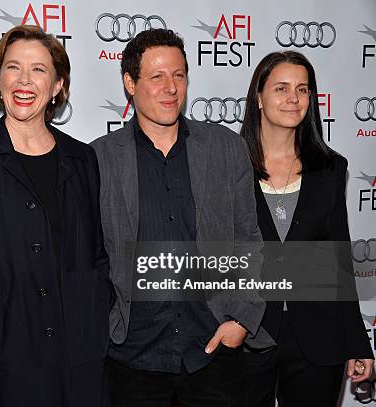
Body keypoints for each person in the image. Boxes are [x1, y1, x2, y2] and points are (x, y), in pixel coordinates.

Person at [90, 28, 273, 407]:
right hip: (131, 358)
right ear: (130, 82)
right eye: (156, 76)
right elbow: (90, 257)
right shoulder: (98, 159)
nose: (170, 88)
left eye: (178, 75)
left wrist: (240, 319)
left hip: (212, 354)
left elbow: (249, 241)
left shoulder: (225, 148)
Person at [0, 25, 111, 407]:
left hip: (79, 359)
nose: (24, 80)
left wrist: (94, 315)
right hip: (7, 362)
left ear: (57, 85)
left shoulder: (83, 159)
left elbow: (97, 253)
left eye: (38, 69)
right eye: (12, 68)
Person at [240, 50, 374, 406]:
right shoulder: (230, 166)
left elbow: (339, 261)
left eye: (302, 89)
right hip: (247, 334)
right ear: (259, 96)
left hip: (319, 338)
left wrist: (359, 342)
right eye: (281, 88)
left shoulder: (330, 168)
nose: (293, 98)